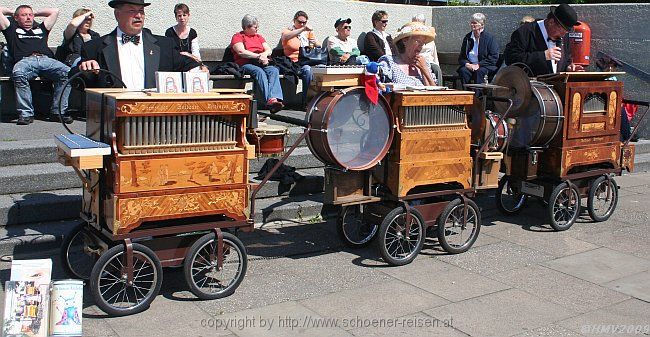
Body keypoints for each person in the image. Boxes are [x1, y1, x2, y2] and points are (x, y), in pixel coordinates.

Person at [78, 0, 203, 89]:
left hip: (151, 121)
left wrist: (199, 69)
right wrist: (84, 71)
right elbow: (78, 82)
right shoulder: (94, 47)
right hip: (112, 120)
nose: (138, 16)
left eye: (141, 11)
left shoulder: (164, 45)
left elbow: (189, 64)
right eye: (132, 11)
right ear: (117, 14)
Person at [0, 5, 73, 125]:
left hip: (46, 59)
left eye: (30, 15)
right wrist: (14, 11)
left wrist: (34, 12)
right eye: (24, 15)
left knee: (68, 73)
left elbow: (55, 10)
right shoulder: (11, 29)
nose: (28, 18)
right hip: (26, 61)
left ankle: (57, 112)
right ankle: (26, 114)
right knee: (18, 73)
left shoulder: (41, 28)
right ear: (16, 18)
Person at [504, 3, 582, 76]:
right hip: (529, 86)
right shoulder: (525, 32)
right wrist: (543, 56)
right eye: (562, 30)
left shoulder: (564, 36)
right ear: (551, 22)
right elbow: (511, 58)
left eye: (566, 31)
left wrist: (568, 68)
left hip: (556, 87)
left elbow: (566, 60)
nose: (563, 34)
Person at [232, 14, 283, 113]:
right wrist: (258, 56)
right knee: (259, 72)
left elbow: (269, 50)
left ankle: (273, 99)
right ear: (247, 27)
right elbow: (241, 52)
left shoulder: (259, 37)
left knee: (273, 70)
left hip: (261, 62)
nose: (257, 29)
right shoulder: (238, 36)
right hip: (245, 64)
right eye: (255, 27)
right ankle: (270, 101)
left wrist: (264, 55)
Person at [377, 22, 437, 86]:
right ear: (405, 40)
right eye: (418, 41)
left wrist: (424, 70)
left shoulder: (425, 64)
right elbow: (381, 89)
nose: (421, 45)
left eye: (423, 43)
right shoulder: (389, 62)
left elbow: (435, 94)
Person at [280, 11, 318, 104]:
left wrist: (313, 41)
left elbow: (318, 45)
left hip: (306, 61)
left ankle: (315, 100)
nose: (302, 24)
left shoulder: (308, 33)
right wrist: (303, 29)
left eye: (304, 22)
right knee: (308, 70)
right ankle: (307, 102)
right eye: (299, 22)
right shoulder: (288, 31)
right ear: (294, 21)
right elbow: (285, 37)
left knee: (319, 69)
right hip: (293, 63)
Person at [457, 13, 499, 86]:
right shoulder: (467, 38)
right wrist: (467, 64)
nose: (472, 25)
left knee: (479, 72)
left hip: (485, 66)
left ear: (482, 25)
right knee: (463, 70)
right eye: (471, 23)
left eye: (475, 23)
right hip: (470, 65)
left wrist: (478, 65)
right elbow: (462, 57)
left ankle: (478, 96)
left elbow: (494, 57)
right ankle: (468, 94)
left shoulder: (489, 38)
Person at [412, 14, 442, 86]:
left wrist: (437, 64)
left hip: (429, 62)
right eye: (415, 23)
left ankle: (439, 90)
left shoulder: (429, 37)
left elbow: (434, 54)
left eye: (420, 23)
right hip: (416, 60)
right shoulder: (410, 37)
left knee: (436, 69)